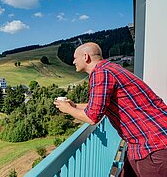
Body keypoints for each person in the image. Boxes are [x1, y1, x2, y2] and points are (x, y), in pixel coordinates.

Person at [54, 42, 167, 176]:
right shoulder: (109, 69)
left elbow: (92, 117)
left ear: (85, 57)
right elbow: (99, 105)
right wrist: (75, 106)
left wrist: (67, 109)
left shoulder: (101, 73)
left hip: (152, 144)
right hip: (144, 142)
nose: (73, 62)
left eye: (75, 58)